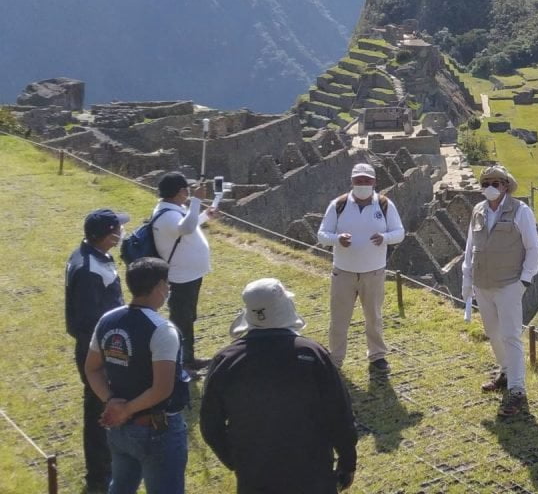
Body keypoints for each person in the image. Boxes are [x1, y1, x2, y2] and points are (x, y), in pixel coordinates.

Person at [200, 278, 358, 494]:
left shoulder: (226, 360)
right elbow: (339, 413)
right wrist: (347, 460)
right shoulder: (311, 354)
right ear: (286, 307)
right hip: (311, 471)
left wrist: (236, 460)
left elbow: (210, 424)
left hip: (255, 474)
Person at [84, 257, 190, 494]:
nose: (169, 290)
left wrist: (111, 403)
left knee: (120, 487)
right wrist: (125, 409)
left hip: (119, 428)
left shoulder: (107, 319)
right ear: (160, 286)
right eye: (168, 284)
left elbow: (92, 368)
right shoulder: (163, 330)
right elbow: (162, 389)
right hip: (156, 431)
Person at [462, 164, 538, 418]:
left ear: (506, 185)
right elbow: (470, 248)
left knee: (510, 335)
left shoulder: (520, 211)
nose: (490, 188)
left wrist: (524, 281)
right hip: (483, 284)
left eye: (496, 183)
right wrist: (467, 278)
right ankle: (505, 373)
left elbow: (533, 247)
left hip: (509, 284)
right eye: (486, 184)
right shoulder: (478, 211)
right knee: (492, 333)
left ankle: (517, 390)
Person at [316, 162, 405, 371]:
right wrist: (338, 239)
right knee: (339, 319)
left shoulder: (384, 205)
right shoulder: (338, 205)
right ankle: (335, 359)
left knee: (373, 317)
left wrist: (384, 237)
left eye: (366, 180)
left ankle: (377, 356)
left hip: (373, 272)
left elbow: (399, 232)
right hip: (343, 272)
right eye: (359, 180)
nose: (363, 184)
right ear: (352, 181)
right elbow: (322, 235)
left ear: (374, 182)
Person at [65, 208, 129, 492]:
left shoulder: (94, 256)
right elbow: (86, 321)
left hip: (104, 345)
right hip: (97, 350)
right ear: (109, 234)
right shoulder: (89, 270)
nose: (122, 232)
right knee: (99, 409)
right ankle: (99, 477)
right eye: (118, 229)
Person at [151, 171, 217, 373]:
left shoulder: (172, 210)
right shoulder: (168, 215)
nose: (189, 193)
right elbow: (186, 228)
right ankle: (180, 363)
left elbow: (187, 225)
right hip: (182, 278)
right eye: (187, 190)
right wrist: (197, 201)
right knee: (181, 321)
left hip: (190, 275)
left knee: (187, 319)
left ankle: (187, 358)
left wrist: (205, 215)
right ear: (180, 192)